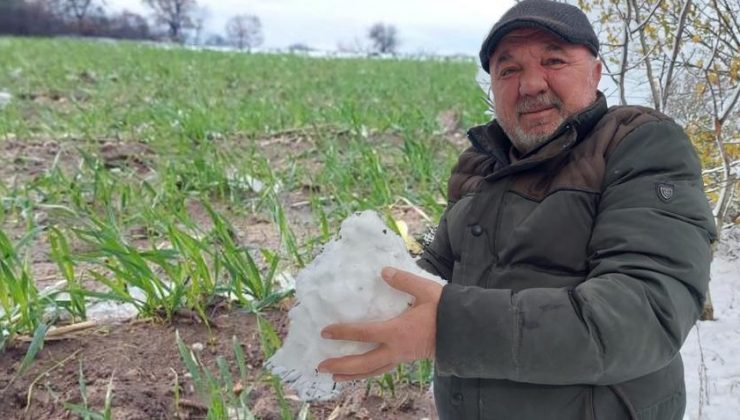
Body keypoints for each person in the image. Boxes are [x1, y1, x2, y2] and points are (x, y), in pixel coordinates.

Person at [317, 1, 717, 418]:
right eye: (508, 70)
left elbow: (644, 314)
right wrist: (349, 297)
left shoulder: (637, 146)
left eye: (553, 60)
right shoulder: (480, 167)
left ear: (596, 72)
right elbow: (432, 272)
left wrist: (446, 329)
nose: (530, 85)